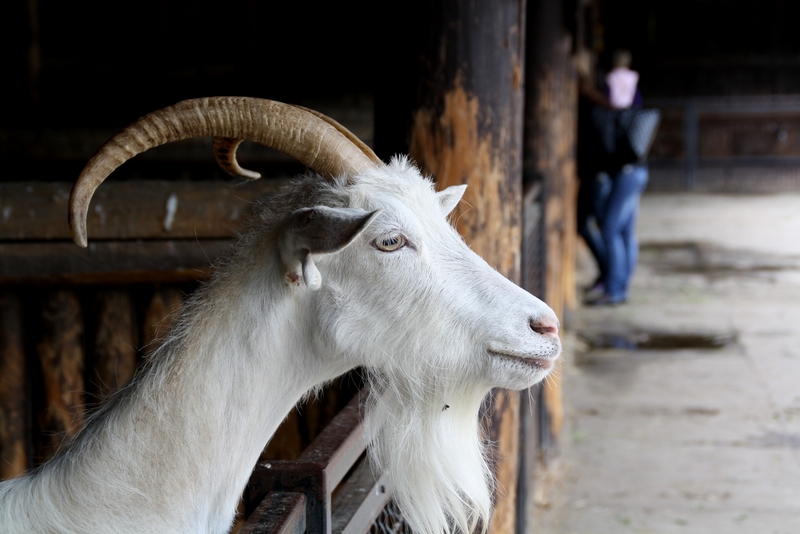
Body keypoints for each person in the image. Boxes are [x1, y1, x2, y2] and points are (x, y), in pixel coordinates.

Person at [582, 49, 650, 306]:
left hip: (625, 172)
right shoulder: (634, 90)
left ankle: (615, 290)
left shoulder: (611, 90)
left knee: (611, 229)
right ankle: (621, 286)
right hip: (638, 169)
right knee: (625, 231)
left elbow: (609, 108)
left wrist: (591, 94)